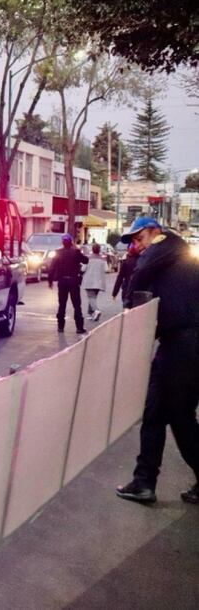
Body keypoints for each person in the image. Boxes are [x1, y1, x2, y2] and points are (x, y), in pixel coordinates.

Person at [114, 217, 199, 506]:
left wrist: (129, 303)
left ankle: (144, 482)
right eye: (134, 241)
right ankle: (144, 481)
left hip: (183, 346)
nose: (137, 246)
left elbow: (141, 272)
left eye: (139, 238)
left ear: (156, 232)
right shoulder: (175, 256)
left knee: (177, 416)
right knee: (161, 415)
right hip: (180, 345)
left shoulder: (166, 245)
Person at [47, 233, 88, 334]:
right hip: (74, 281)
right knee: (77, 305)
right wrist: (76, 248)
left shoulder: (58, 252)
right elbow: (86, 260)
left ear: (62, 242)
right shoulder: (76, 252)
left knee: (62, 304)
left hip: (62, 282)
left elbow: (52, 268)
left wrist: (50, 280)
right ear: (71, 242)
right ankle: (79, 327)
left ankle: (60, 326)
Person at [83, 243, 108, 321]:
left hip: (89, 280)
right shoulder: (102, 259)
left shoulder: (88, 258)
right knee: (93, 298)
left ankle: (96, 310)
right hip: (99, 282)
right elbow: (106, 269)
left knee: (91, 297)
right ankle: (90, 314)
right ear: (99, 250)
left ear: (92, 249)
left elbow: (83, 269)